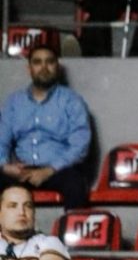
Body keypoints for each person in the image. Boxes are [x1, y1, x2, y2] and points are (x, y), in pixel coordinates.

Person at [0, 45, 91, 209]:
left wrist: (49, 170)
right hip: (21, 171)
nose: (44, 68)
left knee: (75, 183)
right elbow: (1, 139)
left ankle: (71, 225)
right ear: (29, 68)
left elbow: (80, 145)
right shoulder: (14, 102)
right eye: (37, 62)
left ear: (57, 66)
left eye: (49, 62)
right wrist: (5, 166)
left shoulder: (71, 101)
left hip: (57, 170)